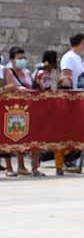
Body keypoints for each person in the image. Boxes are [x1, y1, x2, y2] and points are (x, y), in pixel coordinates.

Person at [2, 46, 44, 177]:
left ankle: (34, 167)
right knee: (13, 136)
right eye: (20, 58)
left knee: (34, 136)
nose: (23, 60)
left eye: (24, 58)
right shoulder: (6, 71)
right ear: (12, 60)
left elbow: (31, 86)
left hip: (29, 108)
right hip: (12, 109)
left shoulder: (26, 72)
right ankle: (14, 166)